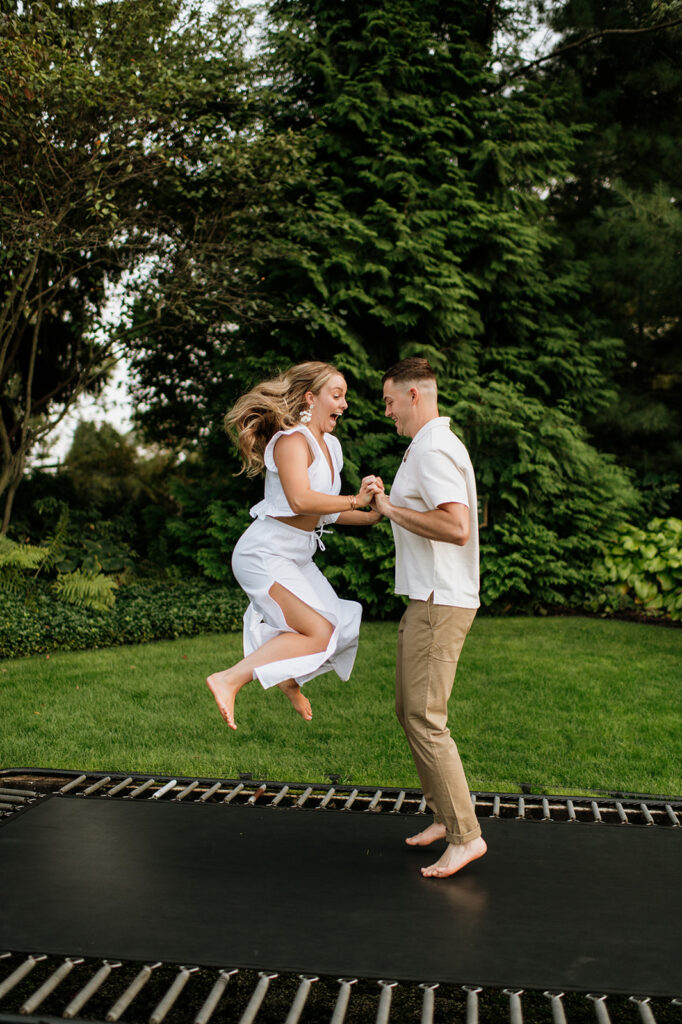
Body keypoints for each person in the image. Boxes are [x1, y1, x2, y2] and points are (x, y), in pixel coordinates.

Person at [207, 361, 381, 730]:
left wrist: (375, 514)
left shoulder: (331, 447)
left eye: (344, 397)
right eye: (337, 395)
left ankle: (287, 677)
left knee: (339, 627)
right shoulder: (291, 442)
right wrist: (355, 500)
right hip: (265, 554)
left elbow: (323, 513)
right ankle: (228, 679)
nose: (344, 404)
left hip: (297, 554)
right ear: (309, 397)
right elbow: (301, 501)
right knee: (317, 630)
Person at [368, 357, 487, 879]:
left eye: (390, 400)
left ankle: (466, 837)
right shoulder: (429, 446)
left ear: (415, 395)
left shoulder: (434, 447)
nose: (386, 410)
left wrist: (391, 509)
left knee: (424, 717)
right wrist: (385, 499)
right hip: (429, 598)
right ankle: (443, 818)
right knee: (407, 709)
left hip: (442, 601)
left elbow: (456, 526)